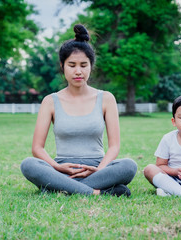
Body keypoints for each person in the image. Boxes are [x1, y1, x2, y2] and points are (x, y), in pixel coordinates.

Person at [20, 24, 137, 197]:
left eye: (83, 65)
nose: (78, 71)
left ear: (91, 66)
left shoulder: (106, 98)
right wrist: (57, 167)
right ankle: (97, 192)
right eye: (72, 65)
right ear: (62, 66)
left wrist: (99, 170)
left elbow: (114, 146)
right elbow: (37, 148)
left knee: (129, 166)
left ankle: (60, 189)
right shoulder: (50, 101)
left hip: (98, 170)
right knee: (28, 164)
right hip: (61, 170)